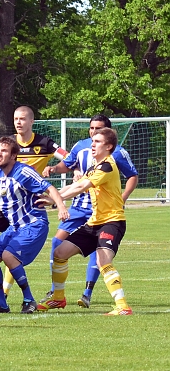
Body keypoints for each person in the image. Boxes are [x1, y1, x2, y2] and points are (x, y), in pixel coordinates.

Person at [42, 114, 137, 307]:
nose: (92, 144)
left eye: (98, 141)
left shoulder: (107, 166)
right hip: (94, 222)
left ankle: (122, 306)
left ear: (108, 146)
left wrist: (56, 199)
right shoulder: (95, 166)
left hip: (112, 221)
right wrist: (52, 197)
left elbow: (79, 187)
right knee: (60, 252)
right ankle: (59, 298)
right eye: (92, 140)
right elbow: (72, 186)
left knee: (103, 261)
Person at [0, 137, 68, 313]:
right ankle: (2, 305)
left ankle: (29, 300)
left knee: (9, 256)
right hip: (15, 227)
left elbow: (49, 188)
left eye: (4, 151)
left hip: (34, 224)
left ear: (13, 156)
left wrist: (61, 206)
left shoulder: (23, 172)